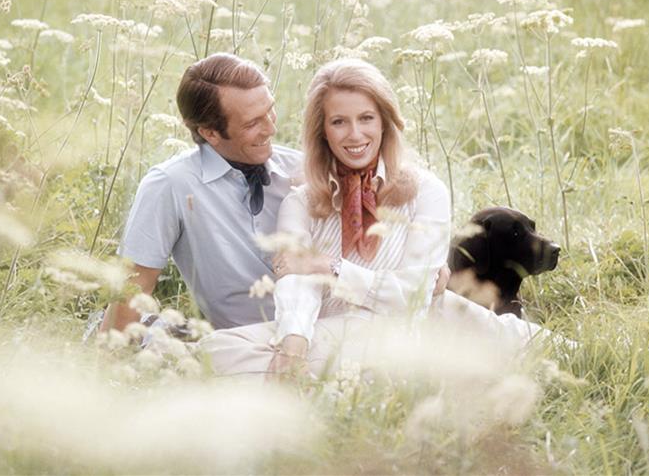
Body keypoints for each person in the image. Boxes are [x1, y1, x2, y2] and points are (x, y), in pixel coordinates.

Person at [199, 58, 547, 378]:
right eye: (339, 122)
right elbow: (296, 280)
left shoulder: (426, 191)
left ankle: (330, 386)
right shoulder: (300, 202)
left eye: (366, 118)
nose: (355, 135)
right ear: (322, 130)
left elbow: (413, 298)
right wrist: (294, 342)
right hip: (329, 333)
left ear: (384, 122)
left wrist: (332, 269)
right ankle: (331, 380)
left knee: (223, 366)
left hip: (410, 333)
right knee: (213, 350)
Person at [100, 52, 450, 334]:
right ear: (210, 132)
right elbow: (131, 291)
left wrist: (434, 268)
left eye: (270, 112)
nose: (271, 128)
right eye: (253, 123)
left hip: (334, 324)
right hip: (250, 339)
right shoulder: (170, 186)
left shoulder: (302, 171)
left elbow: (397, 231)